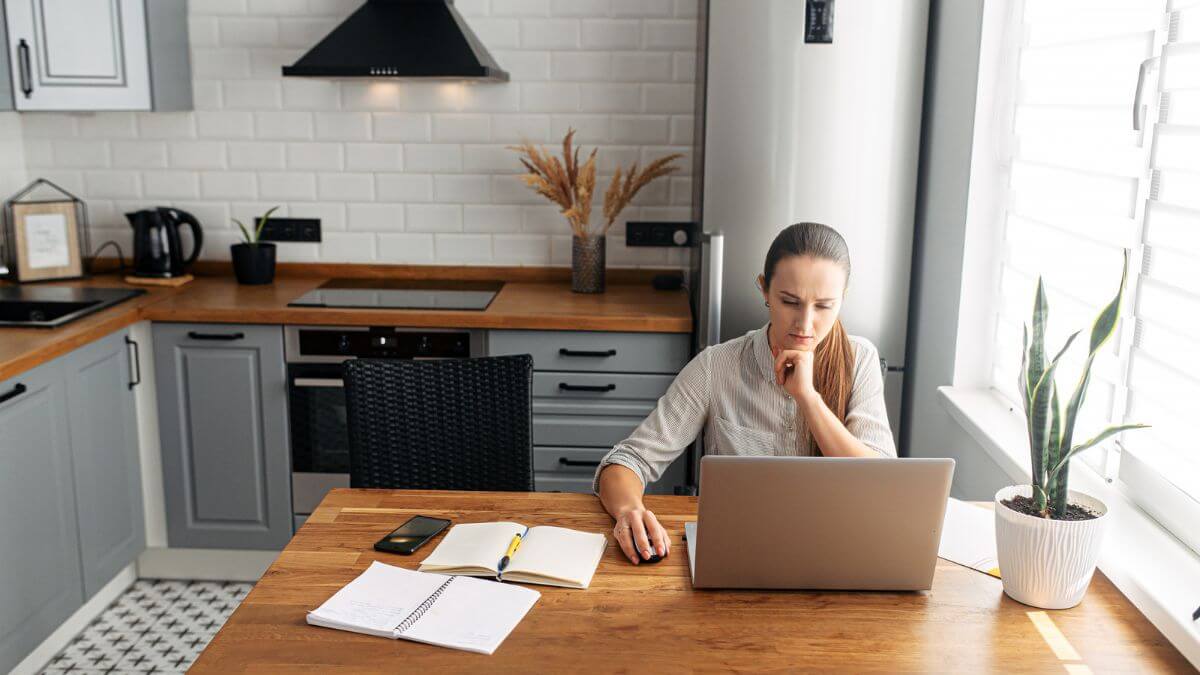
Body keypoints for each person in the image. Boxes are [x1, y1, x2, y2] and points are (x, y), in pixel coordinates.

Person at [593, 222, 897, 565]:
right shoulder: (715, 366)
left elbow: (883, 485)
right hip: (738, 555)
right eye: (790, 301)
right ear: (764, 289)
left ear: (843, 299)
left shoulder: (860, 360)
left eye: (824, 306)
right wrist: (629, 510)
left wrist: (808, 398)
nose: (805, 323)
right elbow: (626, 461)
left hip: (839, 555)